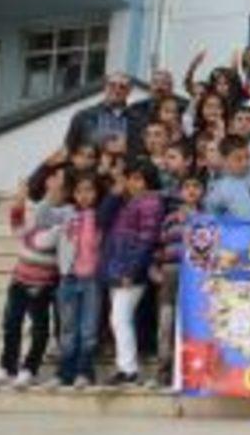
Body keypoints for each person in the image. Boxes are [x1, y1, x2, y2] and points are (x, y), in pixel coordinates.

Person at [0, 173, 72, 391]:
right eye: (53, 180)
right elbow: (18, 228)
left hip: (41, 285)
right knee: (11, 324)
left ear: (67, 190)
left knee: (39, 329)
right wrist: (19, 203)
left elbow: (46, 237)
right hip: (19, 280)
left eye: (59, 182)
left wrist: (42, 202)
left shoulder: (66, 214)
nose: (54, 184)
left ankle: (29, 369)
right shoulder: (40, 211)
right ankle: (7, 368)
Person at [98, 158, 164, 387]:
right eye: (131, 178)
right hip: (116, 268)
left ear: (148, 180)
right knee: (117, 319)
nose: (133, 183)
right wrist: (115, 193)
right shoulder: (128, 201)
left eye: (138, 179)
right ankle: (125, 367)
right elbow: (102, 219)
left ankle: (128, 370)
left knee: (120, 318)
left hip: (130, 271)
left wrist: (132, 270)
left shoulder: (150, 203)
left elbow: (147, 240)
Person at [49, 171, 103, 390]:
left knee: (88, 329)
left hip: (91, 279)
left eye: (89, 190)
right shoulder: (66, 214)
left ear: (97, 193)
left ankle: (84, 371)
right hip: (68, 278)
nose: (84, 195)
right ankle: (65, 372)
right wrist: (53, 191)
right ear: (73, 193)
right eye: (79, 191)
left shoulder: (101, 215)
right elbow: (42, 217)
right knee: (68, 329)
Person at [150, 175, 204, 390]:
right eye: (187, 186)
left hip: (197, 277)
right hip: (171, 273)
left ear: (202, 192)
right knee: (166, 323)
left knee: (195, 323)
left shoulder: (208, 219)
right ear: (181, 192)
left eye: (196, 186)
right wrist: (155, 270)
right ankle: (163, 372)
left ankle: (193, 372)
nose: (191, 190)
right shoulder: (170, 219)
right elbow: (158, 246)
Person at [204, 135, 250, 225]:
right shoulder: (220, 188)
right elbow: (212, 213)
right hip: (242, 231)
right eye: (238, 159)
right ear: (224, 160)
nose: (245, 163)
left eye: (247, 157)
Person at [64, 72, 142, 154]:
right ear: (105, 87)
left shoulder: (138, 120)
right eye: (112, 85)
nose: (117, 90)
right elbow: (68, 150)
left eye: (122, 87)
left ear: (129, 91)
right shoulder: (83, 117)